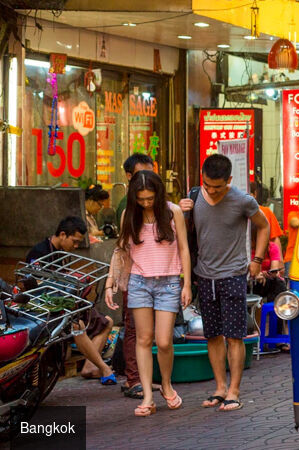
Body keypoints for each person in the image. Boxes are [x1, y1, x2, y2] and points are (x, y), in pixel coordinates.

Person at [179, 154, 270, 412]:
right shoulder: (194, 197)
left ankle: (234, 390)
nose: (211, 191)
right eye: (207, 185)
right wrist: (181, 211)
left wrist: (258, 260)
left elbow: (263, 227)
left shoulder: (243, 200)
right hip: (204, 276)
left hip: (233, 275)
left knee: (234, 336)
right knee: (213, 335)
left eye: (217, 187)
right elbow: (184, 235)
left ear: (229, 180)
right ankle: (220, 387)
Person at [105, 171, 191, 416]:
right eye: (141, 199)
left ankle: (166, 384)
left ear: (159, 194)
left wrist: (186, 284)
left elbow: (184, 249)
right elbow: (121, 251)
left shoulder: (172, 212)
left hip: (169, 283)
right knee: (142, 339)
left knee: (163, 341)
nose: (145, 203)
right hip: (139, 282)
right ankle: (147, 396)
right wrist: (111, 282)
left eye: (150, 198)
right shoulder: (128, 215)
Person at [26, 217, 116, 385]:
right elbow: (36, 287)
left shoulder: (61, 254)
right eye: (74, 242)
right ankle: (103, 368)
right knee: (77, 326)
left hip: (66, 303)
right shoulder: (40, 252)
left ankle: (91, 366)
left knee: (107, 322)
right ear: (62, 235)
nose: (75, 247)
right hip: (48, 308)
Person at [110, 153, 157, 399]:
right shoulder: (127, 206)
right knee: (133, 329)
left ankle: (142, 378)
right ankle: (133, 379)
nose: (147, 180)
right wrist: (114, 280)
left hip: (152, 276)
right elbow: (122, 248)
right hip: (134, 275)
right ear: (129, 177)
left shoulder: (149, 201)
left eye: (151, 174)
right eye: (142, 175)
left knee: (145, 331)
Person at [250, 183, 284, 251]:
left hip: (264, 258)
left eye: (248, 194)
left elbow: (274, 240)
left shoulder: (266, 212)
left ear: (255, 194)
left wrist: (278, 260)